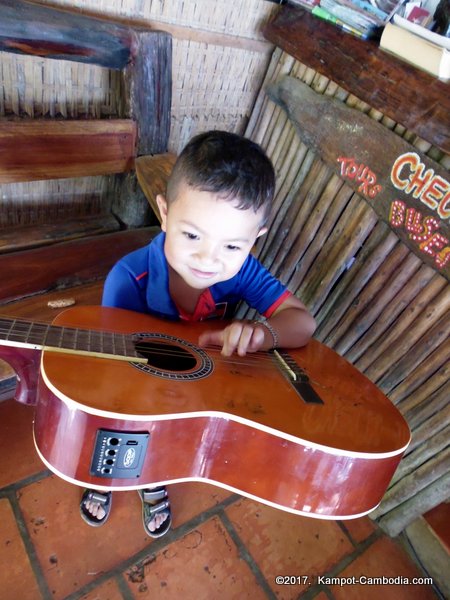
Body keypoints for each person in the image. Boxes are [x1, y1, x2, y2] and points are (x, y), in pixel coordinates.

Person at [80, 130, 316, 537]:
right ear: (165, 213)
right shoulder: (128, 279)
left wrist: (261, 335)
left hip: (193, 398)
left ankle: (153, 480)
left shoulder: (240, 271)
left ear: (254, 241)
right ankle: (101, 476)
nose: (209, 260)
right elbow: (113, 370)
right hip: (134, 395)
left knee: (165, 449)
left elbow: (302, 322)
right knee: (117, 431)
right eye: (192, 235)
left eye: (231, 246)